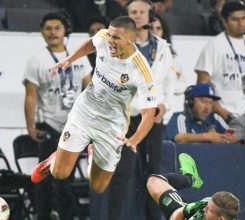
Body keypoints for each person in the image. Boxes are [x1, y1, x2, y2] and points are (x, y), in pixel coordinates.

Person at [31, 15, 157, 200]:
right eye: (110, 36)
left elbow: (149, 113)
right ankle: (51, 160)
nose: (110, 41)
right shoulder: (104, 38)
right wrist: (71, 59)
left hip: (112, 126)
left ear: (131, 39)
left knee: (98, 187)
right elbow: (92, 42)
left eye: (116, 38)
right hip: (84, 113)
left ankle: (92, 154)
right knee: (60, 174)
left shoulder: (141, 70)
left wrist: (135, 140)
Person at [104, 1, 176, 219]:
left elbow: (170, 82)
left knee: (154, 174)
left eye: (141, 12)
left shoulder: (162, 47)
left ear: (150, 15)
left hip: (153, 117)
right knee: (121, 172)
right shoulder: (115, 46)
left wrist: (164, 105)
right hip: (127, 119)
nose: (137, 16)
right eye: (132, 12)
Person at [23, 11, 92, 220]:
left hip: (74, 127)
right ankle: (42, 216)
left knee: (67, 179)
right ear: (42, 33)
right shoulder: (37, 60)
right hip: (49, 127)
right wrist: (30, 126)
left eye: (57, 28)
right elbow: (31, 96)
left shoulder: (79, 57)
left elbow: (90, 88)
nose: (53, 33)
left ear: (66, 31)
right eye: (48, 29)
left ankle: (66, 216)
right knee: (45, 178)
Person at [195, 0, 245, 124]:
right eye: (235, 19)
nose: (241, 23)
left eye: (243, 18)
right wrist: (221, 112)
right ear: (225, 21)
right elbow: (203, 85)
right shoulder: (214, 45)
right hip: (221, 116)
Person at [147, 153, 240, 220]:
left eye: (208, 210)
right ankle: (190, 178)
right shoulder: (204, 204)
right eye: (207, 206)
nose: (204, 209)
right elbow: (180, 212)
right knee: (154, 181)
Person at [164, 83, 234, 144]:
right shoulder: (180, 117)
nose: (207, 107)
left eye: (210, 103)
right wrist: (207, 137)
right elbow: (179, 138)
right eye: (203, 101)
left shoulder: (214, 118)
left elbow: (231, 136)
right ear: (191, 102)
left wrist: (229, 138)